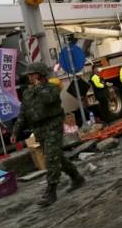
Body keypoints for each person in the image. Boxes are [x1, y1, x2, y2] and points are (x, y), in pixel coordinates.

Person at [11, 62, 85, 206]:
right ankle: (77, 177)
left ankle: (51, 190)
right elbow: (23, 114)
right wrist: (15, 131)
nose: (30, 78)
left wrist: (39, 87)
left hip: (53, 126)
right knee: (57, 157)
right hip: (39, 130)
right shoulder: (27, 92)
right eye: (29, 75)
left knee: (51, 158)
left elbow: (49, 100)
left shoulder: (52, 88)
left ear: (40, 75)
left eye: (32, 75)